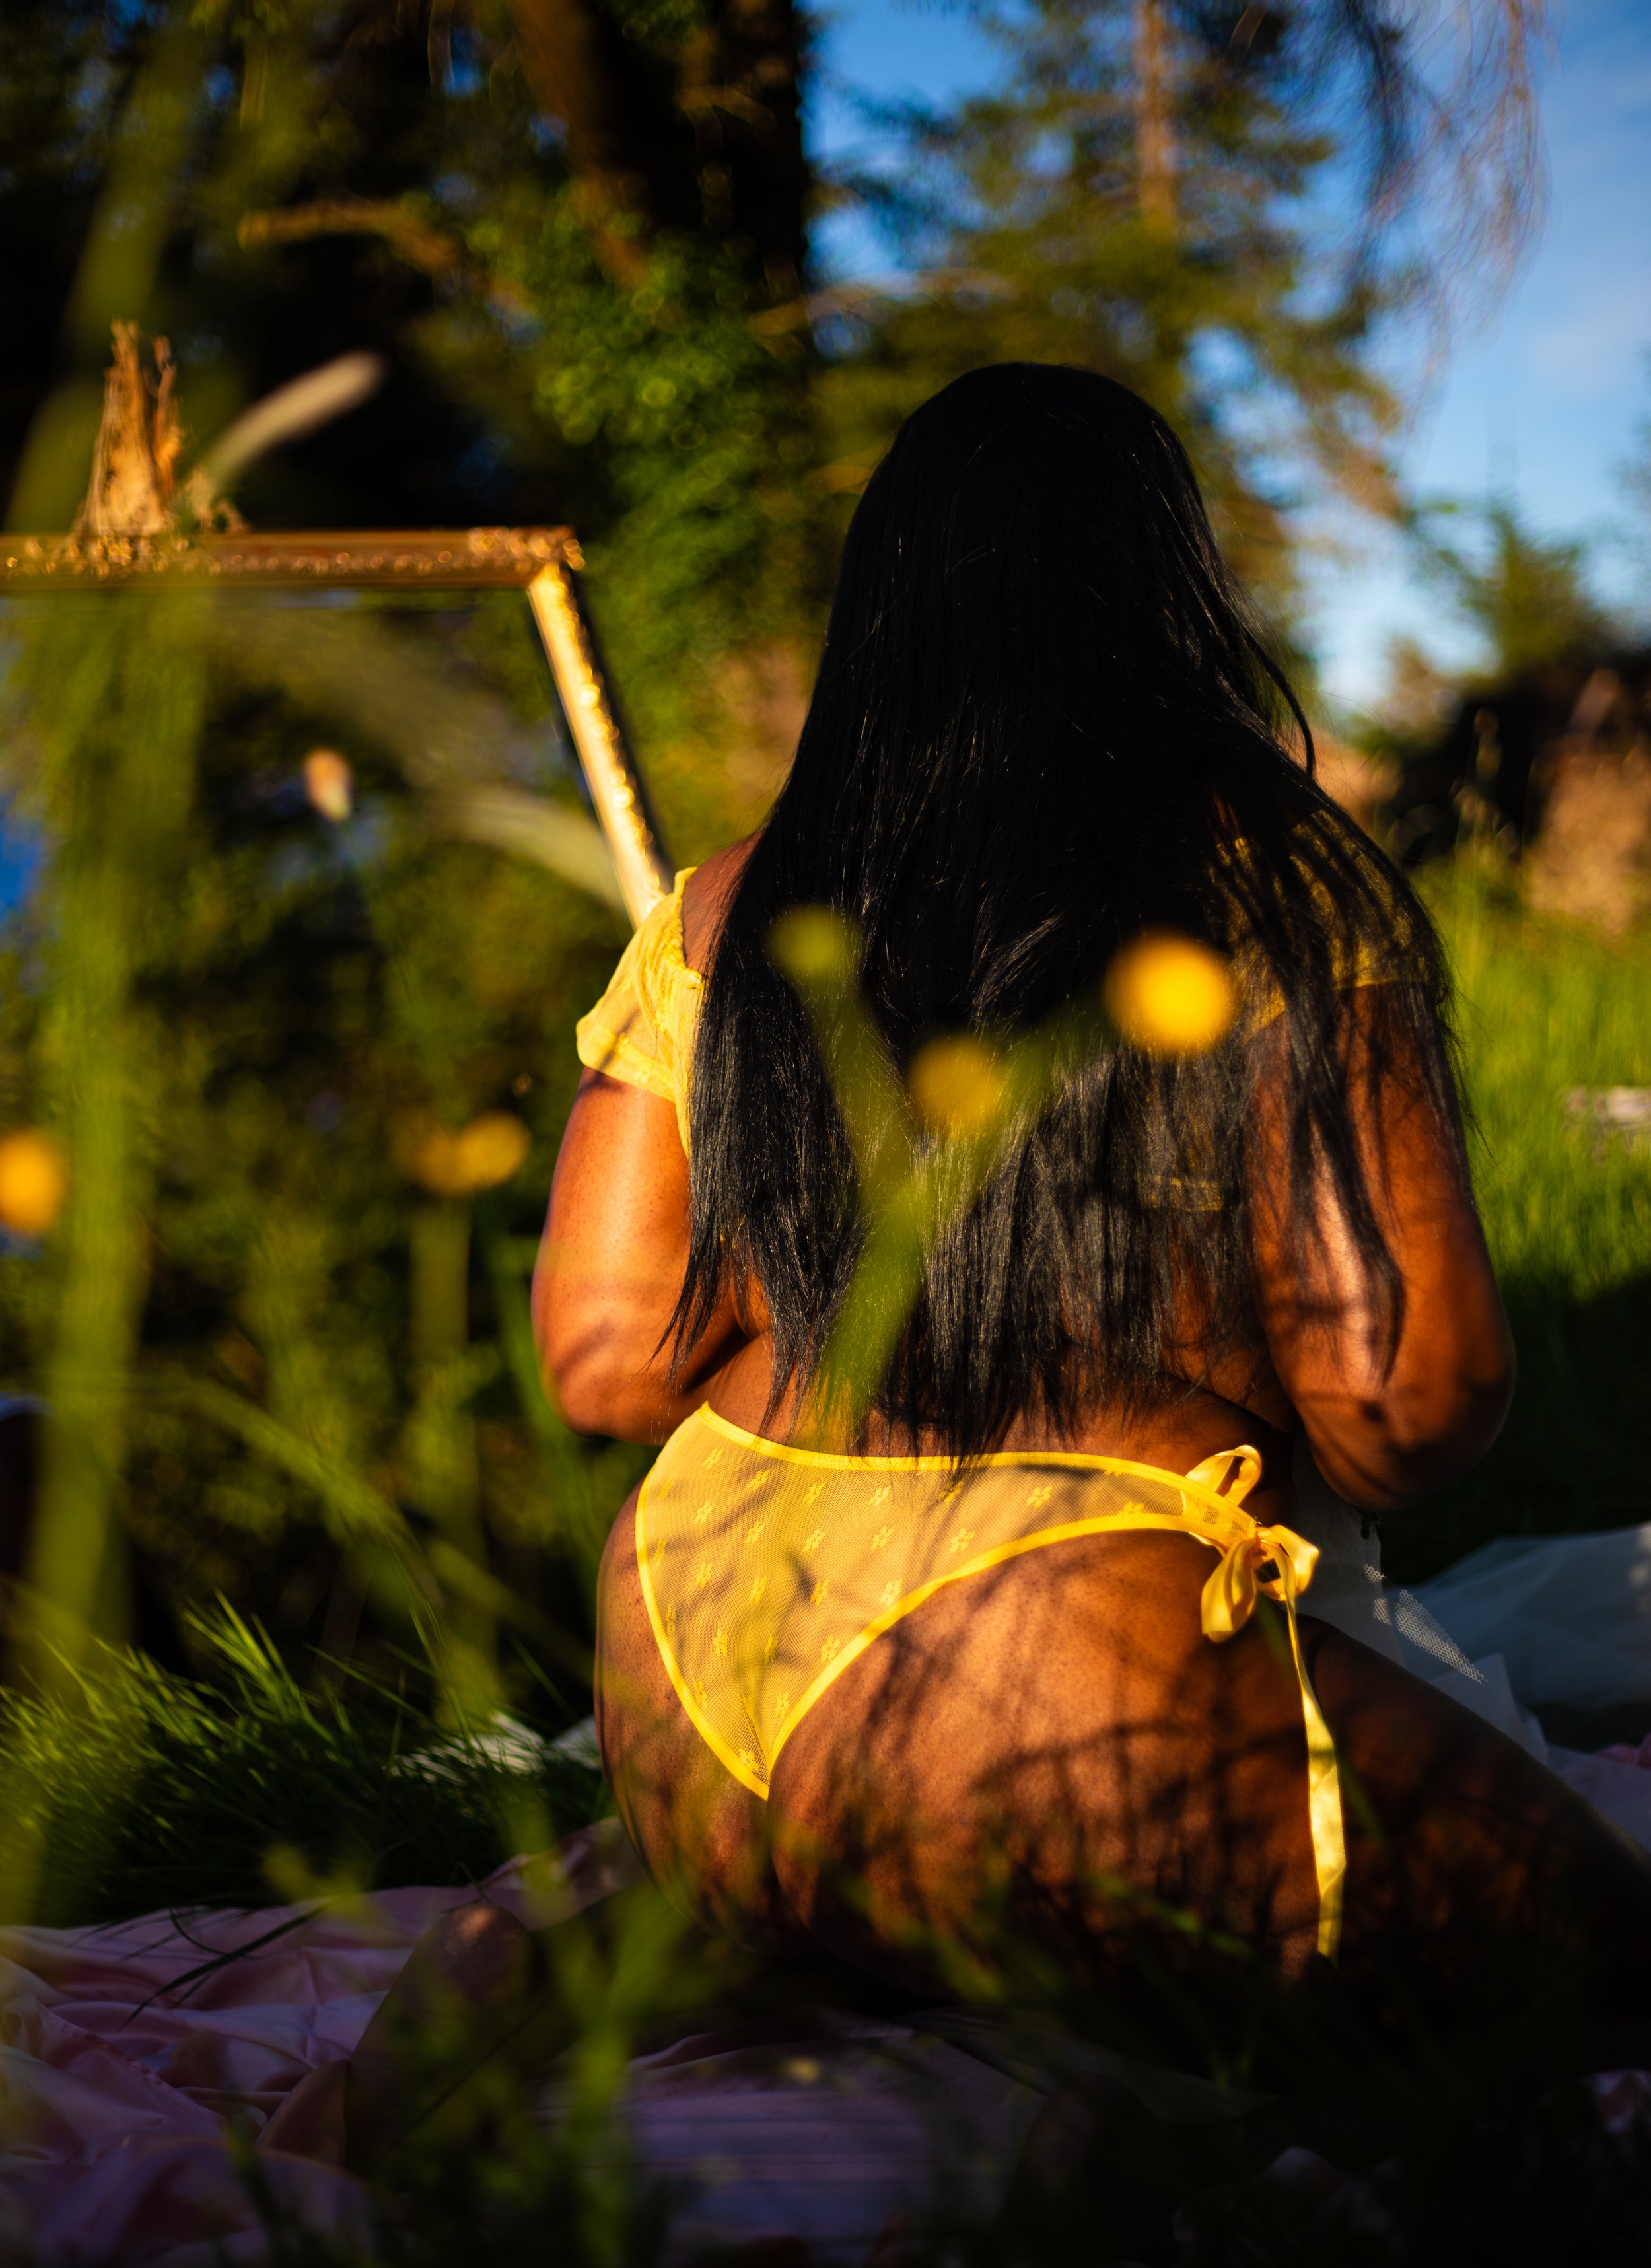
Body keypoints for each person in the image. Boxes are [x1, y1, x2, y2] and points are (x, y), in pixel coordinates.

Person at [345, 369, 1651, 2172]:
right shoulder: (1277, 888)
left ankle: (722, 1891)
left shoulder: (727, 903)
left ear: (881, 612)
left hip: (697, 1643)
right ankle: (1014, 1942)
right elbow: (1406, 1403)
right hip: (1060, 1651)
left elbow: (602, 1363)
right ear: (1169, 597)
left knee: (866, 1853)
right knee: (1607, 1970)